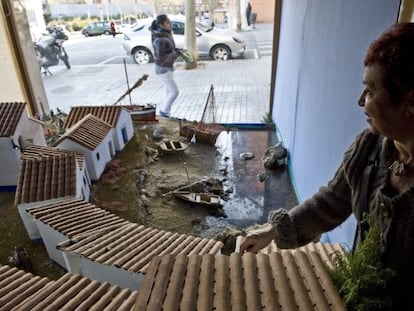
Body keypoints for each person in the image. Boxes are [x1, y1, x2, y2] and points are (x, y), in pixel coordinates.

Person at [239, 22, 414, 308]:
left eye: (370, 91)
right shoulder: (369, 147)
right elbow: (331, 201)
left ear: (410, 101)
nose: (360, 101)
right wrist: (273, 231)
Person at [150, 14, 181, 118]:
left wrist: (177, 51)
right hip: (162, 69)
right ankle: (163, 112)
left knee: (169, 92)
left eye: (169, 23)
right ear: (161, 24)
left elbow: (169, 50)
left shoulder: (165, 34)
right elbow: (160, 57)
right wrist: (176, 54)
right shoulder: (159, 38)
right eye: (167, 23)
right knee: (175, 91)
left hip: (168, 67)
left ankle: (167, 114)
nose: (170, 25)